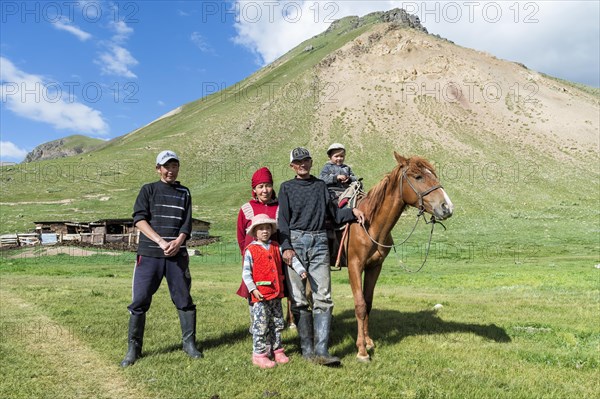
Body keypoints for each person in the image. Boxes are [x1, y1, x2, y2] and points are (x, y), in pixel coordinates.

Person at [278, 147, 365, 366]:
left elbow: (335, 215)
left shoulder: (320, 186)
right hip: (295, 244)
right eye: (298, 162)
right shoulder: (286, 188)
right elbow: (283, 222)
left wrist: (352, 213)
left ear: (311, 162)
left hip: (319, 243)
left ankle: (322, 350)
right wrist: (286, 246)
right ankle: (307, 350)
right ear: (292, 166)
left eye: (306, 161)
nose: (303, 165)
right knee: (298, 298)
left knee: (323, 297)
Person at [120, 150, 202, 368]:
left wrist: (178, 241)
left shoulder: (185, 192)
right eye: (166, 166)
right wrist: (160, 241)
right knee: (140, 301)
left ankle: (189, 344)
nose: (170, 170)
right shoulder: (148, 190)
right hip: (149, 254)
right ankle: (133, 349)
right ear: (158, 168)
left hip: (178, 255)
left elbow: (187, 222)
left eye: (174, 166)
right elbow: (139, 219)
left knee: (184, 300)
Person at [242, 214, 303, 368]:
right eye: (261, 228)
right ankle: (259, 354)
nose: (265, 231)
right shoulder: (251, 250)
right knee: (261, 325)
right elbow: (246, 273)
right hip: (260, 295)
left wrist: (301, 270)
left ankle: (277, 350)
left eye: (267, 228)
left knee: (276, 323)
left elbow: (291, 258)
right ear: (255, 232)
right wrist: (253, 289)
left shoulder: (277, 246)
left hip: (275, 293)